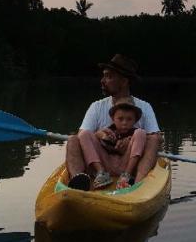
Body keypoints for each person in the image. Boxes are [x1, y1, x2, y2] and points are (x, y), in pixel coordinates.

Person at [65, 54, 162, 191]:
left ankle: (138, 185)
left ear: (124, 81)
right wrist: (99, 134)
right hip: (102, 161)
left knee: (153, 140)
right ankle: (79, 183)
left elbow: (158, 138)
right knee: (73, 139)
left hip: (130, 163)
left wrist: (132, 140)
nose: (103, 81)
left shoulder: (144, 107)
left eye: (109, 76)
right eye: (103, 76)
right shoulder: (97, 106)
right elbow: (82, 136)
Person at [78, 97, 147, 190]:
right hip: (106, 165)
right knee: (84, 134)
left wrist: (130, 141)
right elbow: (94, 141)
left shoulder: (135, 133)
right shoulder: (108, 131)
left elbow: (143, 143)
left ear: (135, 121)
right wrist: (101, 136)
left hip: (125, 165)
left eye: (129, 119)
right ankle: (101, 172)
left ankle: (127, 175)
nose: (124, 123)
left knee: (141, 133)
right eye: (120, 119)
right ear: (113, 118)